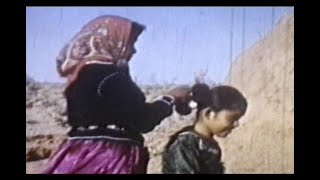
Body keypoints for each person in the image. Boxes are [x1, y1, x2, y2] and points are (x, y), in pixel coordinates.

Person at [42, 15, 191, 174]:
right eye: (130, 44)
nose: (133, 51)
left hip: (78, 154)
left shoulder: (80, 78)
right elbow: (142, 121)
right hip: (108, 158)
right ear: (109, 41)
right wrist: (170, 98)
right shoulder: (111, 76)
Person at [162, 84, 248, 174]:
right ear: (209, 113)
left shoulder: (209, 145)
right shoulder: (185, 142)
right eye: (232, 119)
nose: (236, 124)